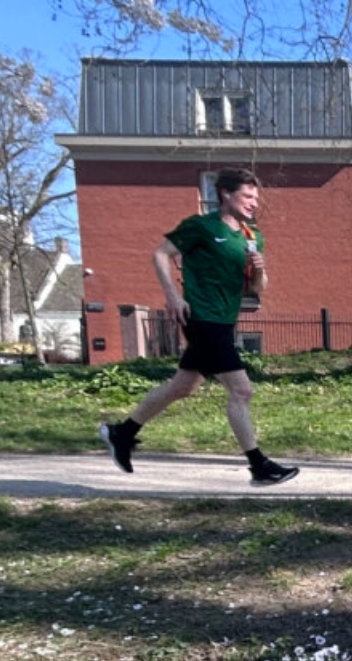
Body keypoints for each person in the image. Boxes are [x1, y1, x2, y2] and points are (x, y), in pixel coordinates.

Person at [100, 167, 299, 486]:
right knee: (241, 390)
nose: (253, 203)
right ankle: (259, 466)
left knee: (183, 386)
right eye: (247, 196)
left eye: (256, 198)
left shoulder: (251, 236)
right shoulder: (201, 227)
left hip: (224, 320)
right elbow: (160, 255)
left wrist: (260, 270)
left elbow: (256, 288)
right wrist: (172, 296)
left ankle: (122, 434)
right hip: (202, 318)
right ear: (226, 194)